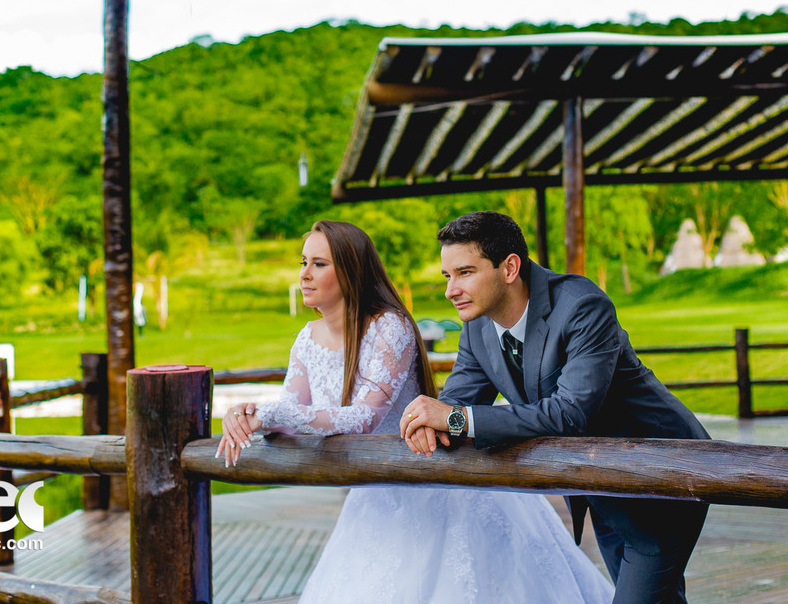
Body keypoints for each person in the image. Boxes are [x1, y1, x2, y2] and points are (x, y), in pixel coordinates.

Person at [218, 220, 611, 604]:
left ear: (352, 270)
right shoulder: (305, 339)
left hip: (434, 482)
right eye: (303, 262)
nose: (305, 274)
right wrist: (252, 416)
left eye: (319, 264)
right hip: (373, 495)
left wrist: (273, 415)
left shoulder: (388, 327)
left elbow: (362, 418)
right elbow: (293, 413)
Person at [400, 211, 710, 604]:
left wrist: (454, 419)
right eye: (448, 276)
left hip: (664, 479)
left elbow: (569, 413)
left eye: (464, 272)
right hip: (602, 489)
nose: (451, 290)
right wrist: (432, 422)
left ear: (509, 267)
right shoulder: (477, 327)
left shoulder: (583, 306)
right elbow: (456, 402)